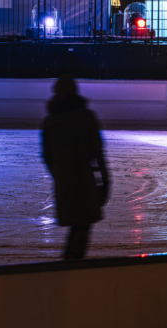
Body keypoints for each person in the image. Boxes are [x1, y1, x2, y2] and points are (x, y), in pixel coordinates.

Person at [42, 77, 110, 260]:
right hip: (84, 181)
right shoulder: (86, 117)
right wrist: (104, 182)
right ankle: (71, 264)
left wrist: (59, 175)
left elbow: (47, 157)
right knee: (83, 225)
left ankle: (71, 262)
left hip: (64, 182)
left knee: (78, 226)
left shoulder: (50, 121)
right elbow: (97, 153)